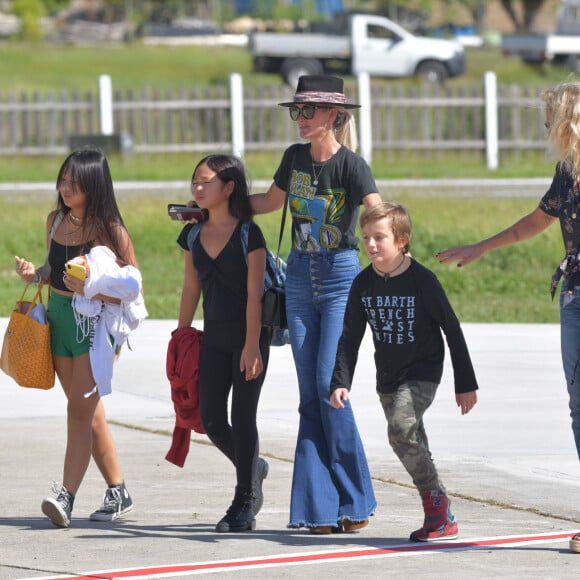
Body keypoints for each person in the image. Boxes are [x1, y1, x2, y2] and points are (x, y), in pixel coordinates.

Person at [436, 81, 580, 550]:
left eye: (548, 120)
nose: (544, 129)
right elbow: (538, 220)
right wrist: (482, 247)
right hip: (575, 295)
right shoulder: (566, 173)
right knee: (579, 408)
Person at [249, 75, 379, 534]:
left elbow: (376, 212)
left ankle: (357, 501)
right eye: (296, 111)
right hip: (301, 278)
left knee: (331, 388)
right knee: (309, 396)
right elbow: (269, 201)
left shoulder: (352, 165)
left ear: (331, 116)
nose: (300, 119)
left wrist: (390, 249)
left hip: (342, 276)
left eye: (308, 112)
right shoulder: (294, 159)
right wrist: (217, 207)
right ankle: (319, 509)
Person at [330, 201, 479, 541]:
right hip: (388, 378)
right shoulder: (363, 284)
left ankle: (437, 504)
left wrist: (465, 382)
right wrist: (340, 381)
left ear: (401, 240)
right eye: (365, 237)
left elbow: (451, 329)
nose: (370, 245)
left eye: (379, 237)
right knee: (413, 440)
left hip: (423, 372)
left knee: (399, 431)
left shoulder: (422, 280)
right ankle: (441, 516)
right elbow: (350, 337)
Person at [15, 148, 141, 528]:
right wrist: (34, 274)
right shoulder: (55, 221)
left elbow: (132, 285)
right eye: (63, 180)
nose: (66, 188)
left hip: (95, 327)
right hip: (58, 319)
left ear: (94, 185)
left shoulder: (110, 230)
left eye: (75, 182)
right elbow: (53, 268)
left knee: (77, 412)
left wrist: (92, 289)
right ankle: (119, 491)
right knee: (88, 413)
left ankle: (64, 496)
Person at [176, 154, 270, 533]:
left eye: (206, 182)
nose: (197, 188)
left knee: (243, 418)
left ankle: (245, 498)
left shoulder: (250, 233)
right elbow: (190, 286)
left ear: (229, 187)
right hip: (212, 335)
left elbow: (255, 296)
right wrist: (181, 337)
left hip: (249, 335)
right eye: (194, 182)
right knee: (212, 418)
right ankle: (254, 468)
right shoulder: (193, 234)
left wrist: (252, 345)